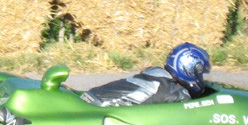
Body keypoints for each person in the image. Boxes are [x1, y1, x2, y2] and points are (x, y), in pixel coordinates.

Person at [81, 42, 211, 107]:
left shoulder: (156, 74)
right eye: (200, 73)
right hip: (100, 111)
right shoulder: (176, 94)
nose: (201, 78)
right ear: (188, 68)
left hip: (91, 98)